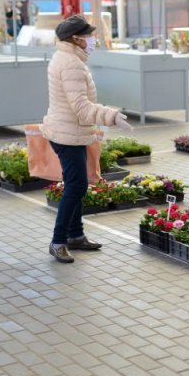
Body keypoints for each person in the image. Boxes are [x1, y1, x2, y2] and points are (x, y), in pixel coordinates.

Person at [41, 15, 133, 263]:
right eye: (89, 36)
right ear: (76, 39)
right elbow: (81, 107)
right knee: (76, 186)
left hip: (71, 131)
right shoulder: (71, 64)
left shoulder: (67, 58)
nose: (92, 40)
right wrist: (112, 116)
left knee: (77, 184)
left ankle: (75, 235)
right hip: (67, 134)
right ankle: (58, 241)